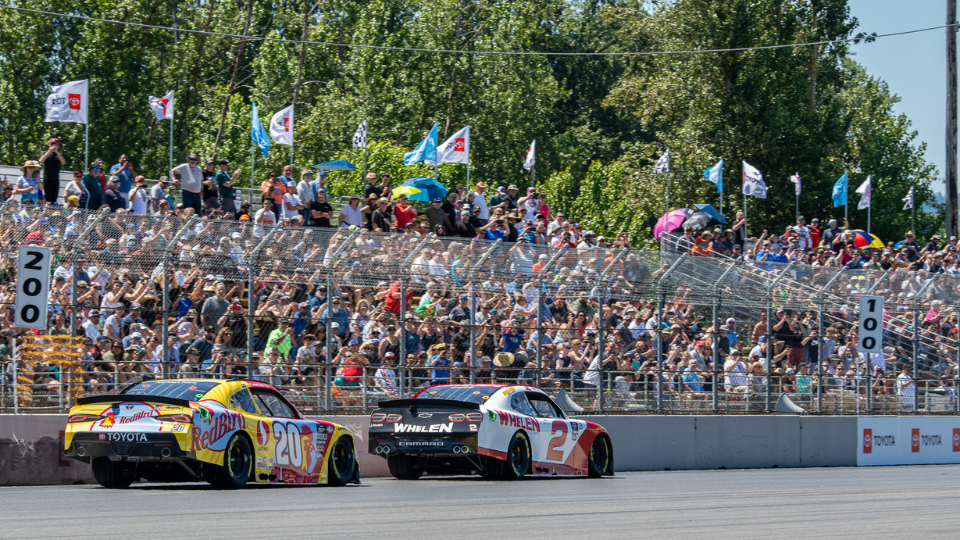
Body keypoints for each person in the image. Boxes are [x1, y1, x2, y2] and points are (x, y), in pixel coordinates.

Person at [38, 138, 65, 204]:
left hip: (55, 179)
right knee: (48, 198)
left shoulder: (59, 155)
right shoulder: (45, 153)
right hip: (47, 178)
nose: (53, 146)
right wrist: (49, 151)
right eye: (52, 144)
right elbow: (41, 161)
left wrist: (57, 152)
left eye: (55, 144)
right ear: (49, 145)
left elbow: (63, 162)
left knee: (54, 199)